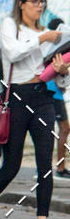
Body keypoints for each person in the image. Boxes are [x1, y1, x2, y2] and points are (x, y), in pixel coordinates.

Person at [0, 0, 70, 219]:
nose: (40, 6)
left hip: (42, 98)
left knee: (45, 164)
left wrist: (62, 71)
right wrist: (41, 39)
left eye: (43, 1)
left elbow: (58, 80)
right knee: (12, 165)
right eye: (35, 1)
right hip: (16, 98)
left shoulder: (49, 34)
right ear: (21, 3)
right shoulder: (11, 27)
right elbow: (13, 53)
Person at [45, 17, 70, 180]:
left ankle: (57, 167)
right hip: (53, 92)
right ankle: (60, 168)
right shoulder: (57, 48)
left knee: (56, 129)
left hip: (52, 91)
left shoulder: (50, 48)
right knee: (64, 128)